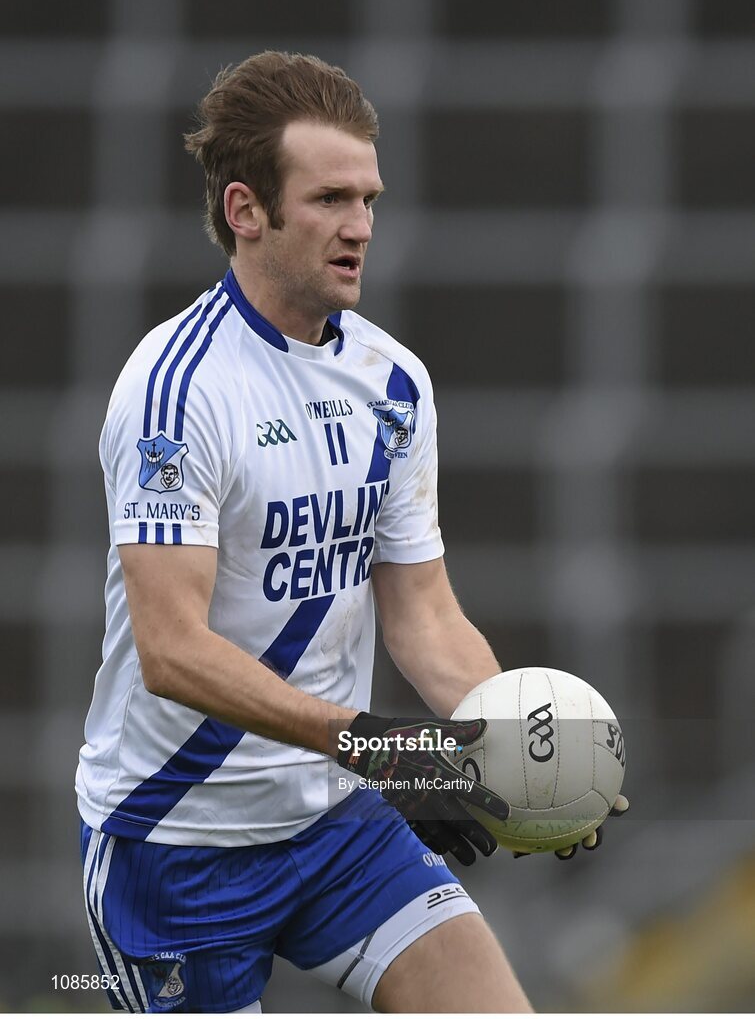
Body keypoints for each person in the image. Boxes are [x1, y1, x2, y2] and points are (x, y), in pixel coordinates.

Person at [76, 51, 623, 1014]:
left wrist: (516, 754)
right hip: (177, 844)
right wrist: (386, 750)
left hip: (339, 826)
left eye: (369, 198)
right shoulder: (177, 394)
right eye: (330, 198)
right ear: (246, 211)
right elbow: (173, 653)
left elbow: (423, 614)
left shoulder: (393, 383)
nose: (361, 226)